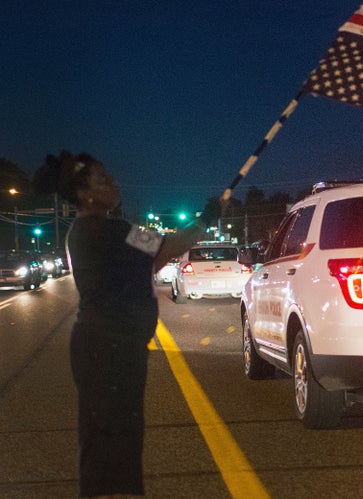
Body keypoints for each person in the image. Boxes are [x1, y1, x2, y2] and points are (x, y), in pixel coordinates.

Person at [31, 151, 224, 498]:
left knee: (109, 437)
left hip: (107, 348)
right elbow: (166, 248)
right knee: (115, 439)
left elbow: (144, 266)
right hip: (109, 350)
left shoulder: (93, 231)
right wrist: (205, 220)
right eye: (103, 179)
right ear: (84, 193)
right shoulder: (106, 230)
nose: (114, 182)